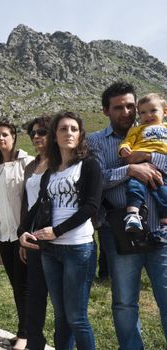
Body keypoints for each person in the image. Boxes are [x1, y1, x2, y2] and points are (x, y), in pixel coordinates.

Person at [87, 81, 167, 349]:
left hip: (163, 228)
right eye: (118, 107)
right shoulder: (96, 142)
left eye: (131, 106)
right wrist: (131, 171)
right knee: (123, 301)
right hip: (121, 232)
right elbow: (96, 180)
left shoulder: (157, 133)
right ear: (105, 111)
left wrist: (150, 160)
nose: (126, 112)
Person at [19, 111, 101, 350]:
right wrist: (22, 231)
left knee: (77, 317)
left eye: (74, 129)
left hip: (78, 248)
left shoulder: (88, 165)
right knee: (60, 315)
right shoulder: (51, 171)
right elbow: (37, 205)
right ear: (55, 135)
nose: (69, 133)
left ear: (80, 134)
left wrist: (57, 230)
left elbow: (91, 206)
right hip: (49, 251)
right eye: (63, 129)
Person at [19, 115, 73, 350]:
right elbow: (27, 204)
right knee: (35, 294)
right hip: (33, 236)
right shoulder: (31, 165)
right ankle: (34, 343)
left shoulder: (62, 162)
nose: (37, 137)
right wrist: (24, 235)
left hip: (58, 235)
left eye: (42, 132)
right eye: (33, 134)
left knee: (64, 300)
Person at [0, 120, 33, 350]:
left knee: (24, 286)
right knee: (17, 286)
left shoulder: (27, 162)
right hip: (3, 236)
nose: (1, 139)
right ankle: (23, 331)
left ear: (14, 136)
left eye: (5, 134)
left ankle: (26, 335)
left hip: (21, 236)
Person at [119, 93, 167, 242]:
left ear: (164, 111)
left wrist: (150, 156)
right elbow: (128, 141)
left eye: (153, 110)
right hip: (139, 166)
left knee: (164, 194)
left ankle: (164, 228)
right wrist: (124, 148)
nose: (148, 115)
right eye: (143, 113)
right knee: (134, 186)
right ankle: (132, 215)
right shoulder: (137, 129)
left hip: (162, 168)